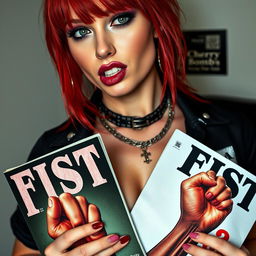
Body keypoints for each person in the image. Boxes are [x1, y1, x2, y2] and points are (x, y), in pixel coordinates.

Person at [10, 0, 256, 255]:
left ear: (156, 24)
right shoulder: (53, 153)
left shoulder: (234, 131)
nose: (102, 49)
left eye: (119, 20)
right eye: (81, 32)